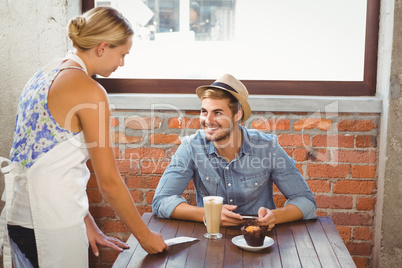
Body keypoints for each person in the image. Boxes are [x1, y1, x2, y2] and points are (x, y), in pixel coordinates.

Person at [0, 6, 167, 268]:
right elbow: (109, 182)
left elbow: (46, 161)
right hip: (51, 227)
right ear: (102, 47)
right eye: (122, 54)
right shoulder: (89, 90)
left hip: (17, 219)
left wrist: (86, 220)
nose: (121, 63)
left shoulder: (41, 75)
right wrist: (144, 237)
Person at [152, 74, 317, 230]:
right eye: (204, 111)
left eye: (217, 113)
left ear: (238, 114)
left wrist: (275, 216)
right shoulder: (191, 147)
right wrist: (209, 214)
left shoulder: (267, 147)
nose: (207, 120)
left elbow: (306, 201)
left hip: (259, 241)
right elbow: (161, 201)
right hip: (210, 238)